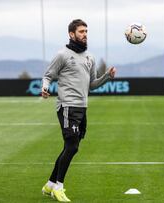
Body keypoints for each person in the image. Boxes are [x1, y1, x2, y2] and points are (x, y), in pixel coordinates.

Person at [40, 19, 116, 202]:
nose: (85, 34)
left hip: (82, 107)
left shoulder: (90, 57)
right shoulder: (62, 55)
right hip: (67, 106)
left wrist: (107, 76)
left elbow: (92, 84)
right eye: (81, 31)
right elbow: (48, 75)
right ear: (71, 34)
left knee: (70, 147)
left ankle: (49, 184)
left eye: (86, 31)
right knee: (72, 146)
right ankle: (58, 187)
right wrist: (45, 87)